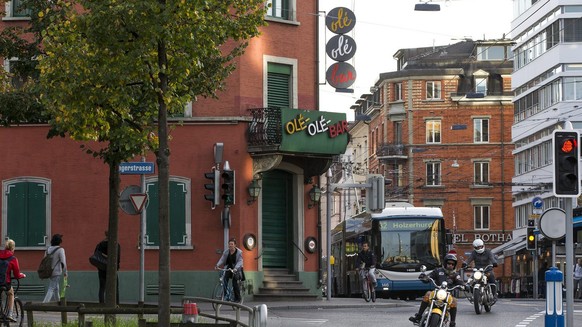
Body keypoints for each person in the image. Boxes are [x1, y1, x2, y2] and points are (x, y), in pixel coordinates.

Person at [409, 253, 465, 327]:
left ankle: (452, 322)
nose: (450, 265)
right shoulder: (438, 271)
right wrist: (425, 277)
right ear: (445, 263)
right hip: (437, 292)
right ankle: (418, 317)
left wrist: (464, 286)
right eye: (448, 263)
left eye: (452, 264)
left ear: (454, 265)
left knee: (454, 300)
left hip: (448, 295)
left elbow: (460, 281)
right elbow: (430, 276)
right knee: (428, 294)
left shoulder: (455, 275)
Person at [0, 239, 25, 322]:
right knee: (11, 293)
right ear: (13, 248)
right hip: (5, 282)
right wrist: (22, 275)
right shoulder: (13, 259)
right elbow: (17, 274)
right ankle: (10, 314)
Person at [215, 238, 244, 303]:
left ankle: (237, 298)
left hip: (236, 269)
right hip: (229, 268)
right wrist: (217, 265)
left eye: (232, 244)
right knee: (224, 279)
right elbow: (222, 259)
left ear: (235, 245)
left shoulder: (239, 252)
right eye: (229, 244)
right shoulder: (226, 252)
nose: (230, 245)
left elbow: (240, 261)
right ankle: (226, 295)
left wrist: (235, 268)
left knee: (234, 283)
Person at [95, 231, 120, 304]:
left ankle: (102, 304)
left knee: (102, 287)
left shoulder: (100, 245)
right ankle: (116, 304)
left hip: (102, 268)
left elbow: (96, 256)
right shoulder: (116, 245)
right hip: (112, 268)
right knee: (115, 288)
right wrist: (117, 267)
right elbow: (118, 259)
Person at [43, 234, 67, 303]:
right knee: (51, 288)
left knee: (56, 288)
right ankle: (44, 305)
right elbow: (63, 262)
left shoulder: (48, 249)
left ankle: (59, 303)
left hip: (49, 272)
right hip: (56, 272)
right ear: (59, 241)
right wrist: (65, 272)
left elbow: (44, 260)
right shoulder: (60, 250)